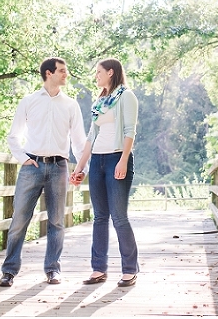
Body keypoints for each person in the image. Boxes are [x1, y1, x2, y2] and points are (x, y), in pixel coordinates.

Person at [0, 57, 87, 287]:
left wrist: (81, 168)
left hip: (59, 167)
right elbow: (13, 136)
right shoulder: (28, 102)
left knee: (57, 221)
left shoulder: (71, 105)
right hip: (32, 167)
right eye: (62, 71)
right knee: (19, 219)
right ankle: (9, 271)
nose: (66, 75)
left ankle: (52, 270)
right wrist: (23, 159)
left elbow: (79, 142)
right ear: (49, 73)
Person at [70, 58, 140, 288]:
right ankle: (98, 269)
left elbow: (130, 132)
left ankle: (130, 269)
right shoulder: (101, 100)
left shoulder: (126, 97)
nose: (96, 76)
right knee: (100, 217)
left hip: (116, 158)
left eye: (99, 72)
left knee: (119, 217)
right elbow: (91, 137)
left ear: (111, 72)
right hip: (98, 161)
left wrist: (122, 161)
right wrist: (79, 167)